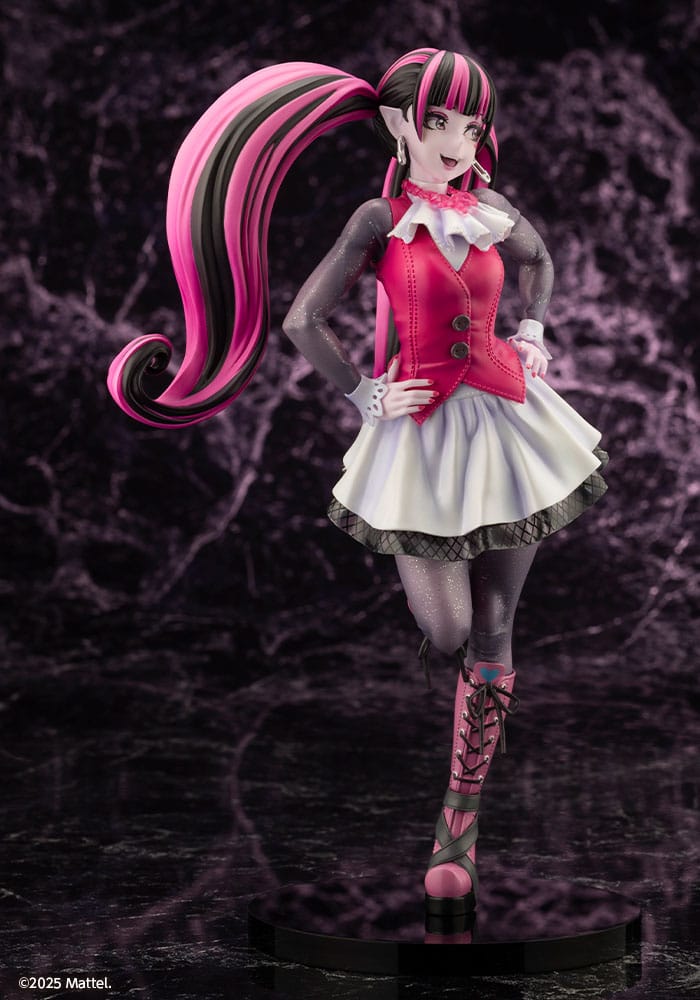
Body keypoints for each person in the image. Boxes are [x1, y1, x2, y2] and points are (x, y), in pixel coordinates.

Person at [108, 48, 607, 917]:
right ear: (398, 123)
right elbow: (304, 319)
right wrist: (364, 391)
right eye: (441, 121)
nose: (458, 140)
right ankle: (450, 700)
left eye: (472, 125)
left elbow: (540, 262)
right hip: (421, 430)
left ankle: (457, 832)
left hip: (511, 425)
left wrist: (532, 330)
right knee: (448, 626)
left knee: (495, 624)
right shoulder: (380, 218)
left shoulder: (492, 210)